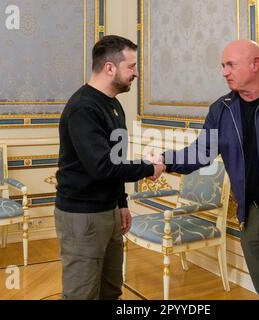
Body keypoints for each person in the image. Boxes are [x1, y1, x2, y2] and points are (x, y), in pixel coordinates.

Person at [154, 40, 259, 300]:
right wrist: (163, 160)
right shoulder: (220, 110)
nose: (224, 72)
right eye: (223, 65)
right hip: (250, 216)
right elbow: (201, 152)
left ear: (255, 64)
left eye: (231, 65)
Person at [54, 35, 166, 300]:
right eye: (131, 66)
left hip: (109, 211)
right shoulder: (83, 107)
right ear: (109, 68)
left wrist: (122, 202)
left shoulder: (114, 105)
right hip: (82, 217)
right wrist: (149, 168)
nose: (136, 73)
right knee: (81, 295)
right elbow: (103, 167)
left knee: (111, 291)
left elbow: (116, 158)